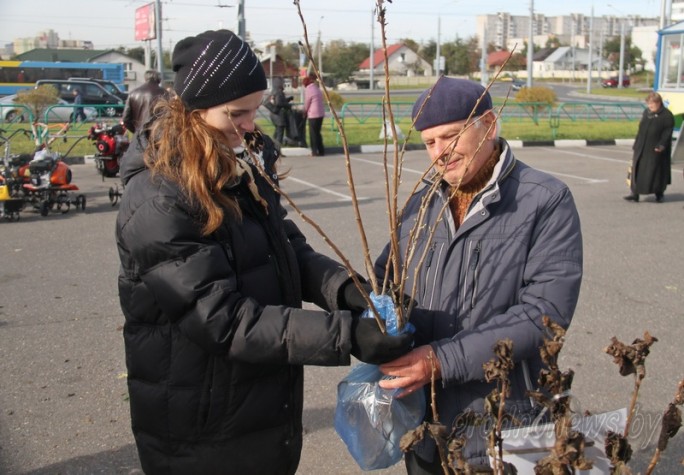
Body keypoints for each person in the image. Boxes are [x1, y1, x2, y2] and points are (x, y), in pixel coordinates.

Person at [115, 29, 412, 475]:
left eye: (254, 110)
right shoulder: (160, 195)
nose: (251, 124)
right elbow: (221, 319)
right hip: (202, 425)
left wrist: (350, 292)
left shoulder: (237, 164)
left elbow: (283, 246)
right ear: (195, 109)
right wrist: (347, 334)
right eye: (237, 112)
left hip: (256, 406)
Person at [342, 78, 583, 473]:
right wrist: (376, 321)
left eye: (451, 136)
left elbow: (545, 314)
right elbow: (388, 279)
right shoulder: (422, 203)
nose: (440, 153)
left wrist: (441, 360)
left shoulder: (544, 200)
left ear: (488, 124)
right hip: (423, 418)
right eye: (430, 142)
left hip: (501, 419)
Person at [624, 92, 674, 203]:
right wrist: (636, 144)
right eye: (648, 103)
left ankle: (659, 193)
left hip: (655, 149)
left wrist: (661, 145)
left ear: (659, 103)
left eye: (652, 104)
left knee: (655, 173)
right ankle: (634, 194)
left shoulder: (667, 115)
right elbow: (641, 129)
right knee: (637, 170)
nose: (650, 106)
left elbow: (667, 133)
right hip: (642, 147)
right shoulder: (647, 113)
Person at [303, 73, 325, 156]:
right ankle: (321, 150)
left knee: (313, 134)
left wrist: (304, 111)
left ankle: (314, 151)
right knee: (318, 133)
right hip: (320, 114)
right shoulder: (317, 88)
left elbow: (307, 103)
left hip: (313, 114)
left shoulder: (309, 89)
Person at [269, 78, 293, 145]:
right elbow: (279, 103)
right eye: (283, 83)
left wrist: (288, 99)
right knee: (280, 134)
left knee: (277, 132)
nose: (284, 85)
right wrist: (288, 105)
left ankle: (272, 146)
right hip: (278, 116)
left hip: (274, 114)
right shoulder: (279, 92)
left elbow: (279, 101)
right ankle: (277, 149)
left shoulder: (274, 91)